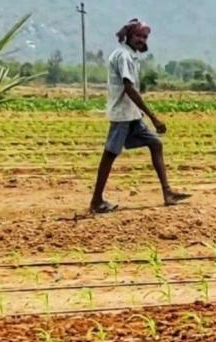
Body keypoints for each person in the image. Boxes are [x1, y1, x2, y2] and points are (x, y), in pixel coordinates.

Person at [89, 18, 190, 214]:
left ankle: (167, 193)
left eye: (144, 37)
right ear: (128, 35)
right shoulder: (124, 56)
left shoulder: (131, 56)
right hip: (122, 115)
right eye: (138, 36)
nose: (141, 40)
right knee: (109, 155)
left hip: (132, 114)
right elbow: (129, 89)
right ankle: (96, 201)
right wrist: (153, 117)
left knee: (155, 143)